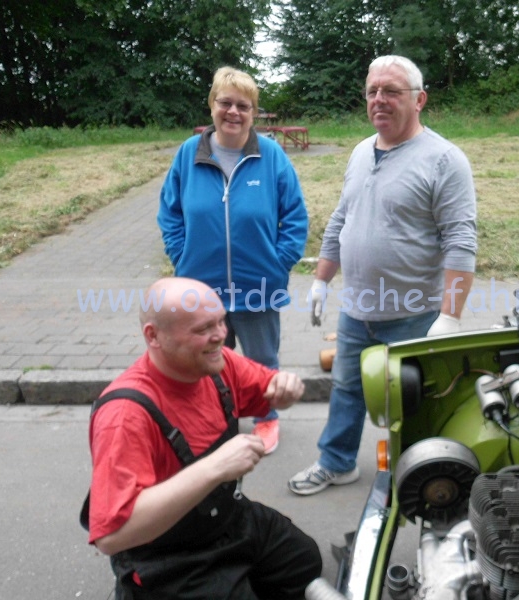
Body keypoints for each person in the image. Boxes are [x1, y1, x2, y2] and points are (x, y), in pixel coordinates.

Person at [288, 55, 477, 496]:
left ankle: (414, 471)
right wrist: (321, 280)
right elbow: (341, 220)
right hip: (357, 311)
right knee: (347, 390)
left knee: (413, 400)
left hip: (415, 314)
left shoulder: (445, 160)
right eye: (373, 91)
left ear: (419, 99)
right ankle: (336, 462)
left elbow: (461, 242)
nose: (379, 100)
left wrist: (450, 317)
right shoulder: (359, 151)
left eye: (391, 91)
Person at [83, 277, 322, 599]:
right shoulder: (124, 415)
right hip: (167, 553)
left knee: (303, 563)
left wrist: (287, 389)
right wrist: (215, 468)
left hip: (229, 519)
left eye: (222, 321)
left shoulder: (218, 364)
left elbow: (271, 391)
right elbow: (112, 536)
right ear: (154, 336)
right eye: (202, 329)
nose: (221, 335)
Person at [158, 66, 308, 455]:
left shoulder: (271, 155)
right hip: (200, 291)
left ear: (253, 113)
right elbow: (170, 212)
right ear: (212, 106)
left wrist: (280, 262)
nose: (233, 112)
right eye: (225, 102)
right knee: (202, 362)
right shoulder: (188, 155)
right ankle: (209, 419)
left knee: (262, 361)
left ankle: (266, 419)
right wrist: (180, 255)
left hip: (259, 286)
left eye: (243, 105)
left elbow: (294, 215)